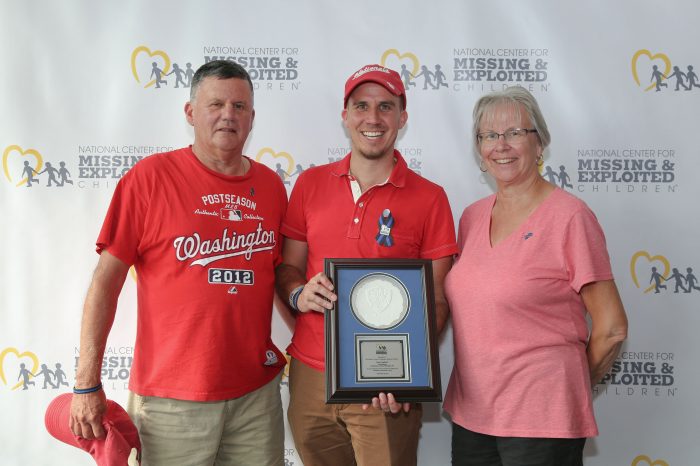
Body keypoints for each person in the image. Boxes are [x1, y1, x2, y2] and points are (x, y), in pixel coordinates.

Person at [70, 60, 287, 466]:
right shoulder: (150, 178)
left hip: (255, 398)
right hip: (171, 401)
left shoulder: (272, 187)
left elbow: (281, 278)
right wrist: (86, 384)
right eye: (216, 104)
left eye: (240, 106)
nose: (228, 114)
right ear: (190, 113)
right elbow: (105, 281)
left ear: (252, 117)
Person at [275, 64, 458, 466]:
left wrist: (408, 378)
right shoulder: (309, 184)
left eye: (386, 107)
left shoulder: (431, 198)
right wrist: (298, 293)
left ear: (402, 118)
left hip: (384, 387)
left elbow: (438, 301)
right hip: (309, 377)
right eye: (361, 106)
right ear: (345, 116)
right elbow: (287, 270)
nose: (373, 119)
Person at [444, 86, 628, 466]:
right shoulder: (472, 217)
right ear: (479, 148)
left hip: (540, 420)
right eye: (489, 136)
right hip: (472, 415)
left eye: (514, 133)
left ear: (540, 142)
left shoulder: (570, 217)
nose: (501, 145)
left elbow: (611, 327)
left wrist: (565, 388)